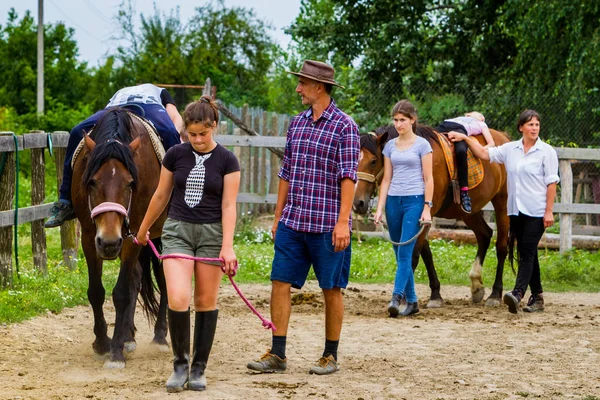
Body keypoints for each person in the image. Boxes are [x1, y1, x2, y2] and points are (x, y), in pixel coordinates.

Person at [246, 60, 360, 376]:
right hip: (293, 222)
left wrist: (343, 222)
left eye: (302, 84)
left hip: (327, 225)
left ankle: (330, 355)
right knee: (279, 281)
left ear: (318, 87)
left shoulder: (345, 126)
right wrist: (278, 216)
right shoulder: (297, 123)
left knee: (331, 288)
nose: (298, 89)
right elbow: (286, 172)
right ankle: (278, 353)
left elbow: (349, 177)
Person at [136, 95, 240, 392]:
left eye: (202, 134)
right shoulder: (175, 155)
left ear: (214, 127)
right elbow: (160, 195)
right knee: (178, 297)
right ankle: (180, 365)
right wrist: (143, 229)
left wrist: (227, 246)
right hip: (178, 230)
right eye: (191, 134)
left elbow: (229, 206)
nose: (197, 140)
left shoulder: (228, 160)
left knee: (206, 301)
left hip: (212, 234)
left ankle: (198, 368)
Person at [448, 109, 559, 314]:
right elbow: (484, 153)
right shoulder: (510, 149)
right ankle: (538, 297)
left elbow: (552, 183)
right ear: (521, 128)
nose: (534, 128)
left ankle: (517, 293)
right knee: (529, 251)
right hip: (516, 210)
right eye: (530, 124)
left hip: (536, 209)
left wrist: (549, 211)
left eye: (537, 124)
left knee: (525, 251)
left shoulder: (547, 152)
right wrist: (465, 137)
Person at [44, 83, 184, 228]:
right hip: (120, 107)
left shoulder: (159, 92)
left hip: (136, 106)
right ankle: (66, 199)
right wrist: (177, 130)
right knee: (169, 132)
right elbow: (174, 116)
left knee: (76, 131)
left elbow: (173, 114)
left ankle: (178, 193)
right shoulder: (159, 91)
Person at [373, 100, 433, 318]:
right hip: (393, 202)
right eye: (396, 120)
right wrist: (380, 208)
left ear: (412, 120)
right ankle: (414, 301)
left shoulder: (423, 145)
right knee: (399, 254)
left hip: (414, 201)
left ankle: (396, 297)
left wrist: (427, 208)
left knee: (406, 251)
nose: (398, 124)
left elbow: (429, 179)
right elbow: (386, 179)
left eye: (403, 120)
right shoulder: (389, 146)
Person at [434, 111, 495, 214]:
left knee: (461, 151)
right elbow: (492, 143)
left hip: (458, 130)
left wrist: (480, 149)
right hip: (444, 125)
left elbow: (491, 143)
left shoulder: (481, 124)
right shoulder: (457, 118)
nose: (482, 118)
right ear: (468, 115)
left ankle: (464, 191)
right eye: (480, 115)